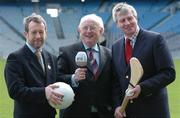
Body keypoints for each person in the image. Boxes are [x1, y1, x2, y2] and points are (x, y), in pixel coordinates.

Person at [111, 2, 176, 118]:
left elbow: (169, 73)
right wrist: (117, 105)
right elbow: (116, 81)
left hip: (153, 111)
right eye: (122, 20)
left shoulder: (156, 39)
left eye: (130, 18)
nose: (127, 23)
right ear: (117, 24)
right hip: (129, 113)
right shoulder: (115, 47)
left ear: (136, 18)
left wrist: (142, 88)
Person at [4, 13, 63, 118]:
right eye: (34, 32)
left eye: (41, 32)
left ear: (46, 33)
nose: (38, 36)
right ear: (26, 34)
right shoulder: (15, 58)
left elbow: (57, 80)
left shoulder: (51, 57)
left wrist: (74, 78)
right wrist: (44, 92)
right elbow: (15, 91)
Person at [57, 14, 114, 118]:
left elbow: (114, 84)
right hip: (74, 113)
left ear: (101, 31)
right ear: (79, 30)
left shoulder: (109, 54)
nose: (88, 31)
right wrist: (74, 78)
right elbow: (57, 78)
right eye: (85, 28)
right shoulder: (66, 52)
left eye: (92, 27)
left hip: (104, 113)